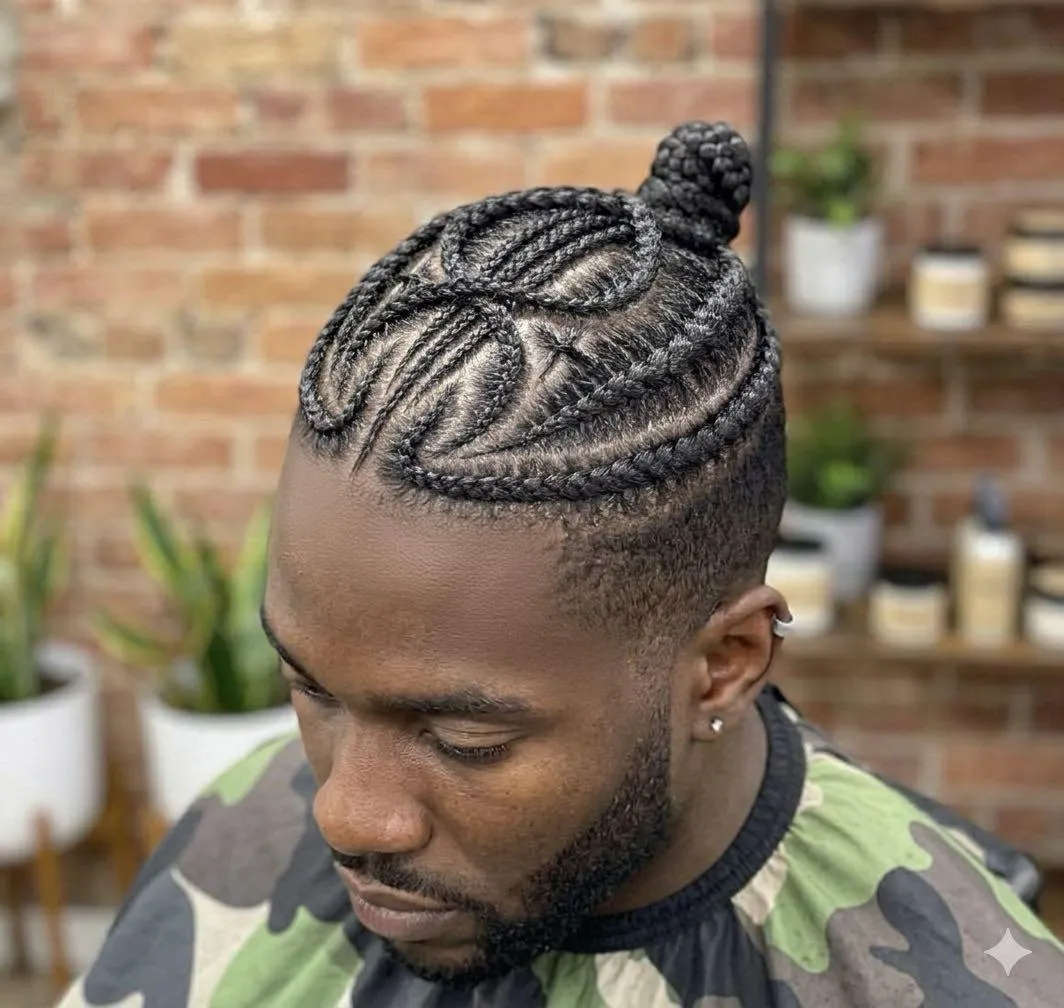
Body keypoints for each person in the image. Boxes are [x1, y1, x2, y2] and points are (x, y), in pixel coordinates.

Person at [62, 121, 1064, 1007]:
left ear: (722, 663)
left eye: (460, 737)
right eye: (309, 686)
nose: (340, 811)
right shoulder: (242, 832)